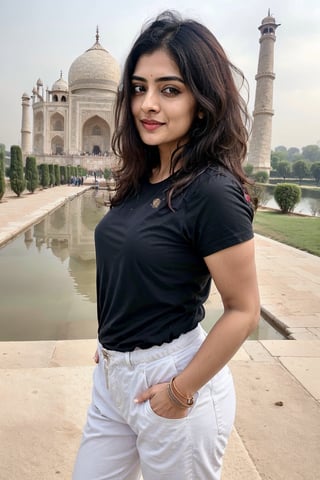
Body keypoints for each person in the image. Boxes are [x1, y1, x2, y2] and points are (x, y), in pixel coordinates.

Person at [73, 10, 260, 480]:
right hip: (114, 375)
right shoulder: (141, 176)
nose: (147, 105)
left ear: (203, 100)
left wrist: (179, 391)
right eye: (139, 88)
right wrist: (114, 337)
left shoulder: (212, 190)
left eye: (169, 89)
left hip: (174, 378)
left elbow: (243, 310)